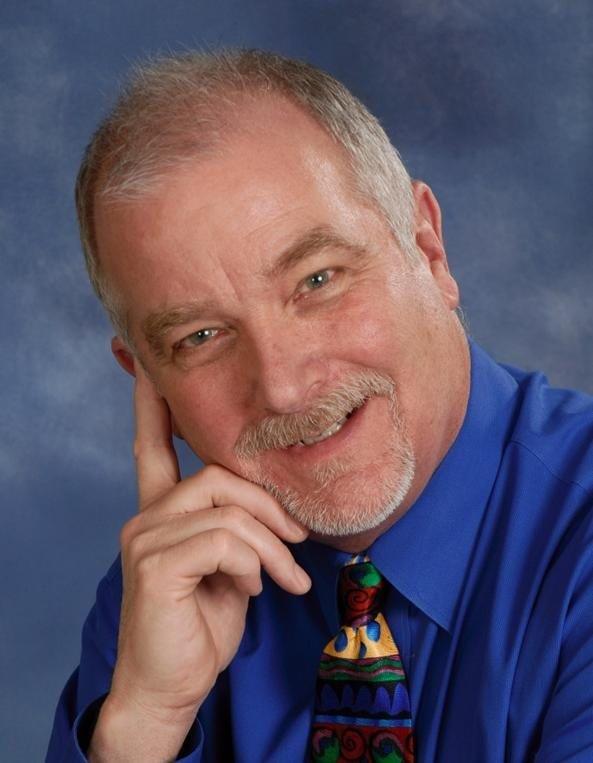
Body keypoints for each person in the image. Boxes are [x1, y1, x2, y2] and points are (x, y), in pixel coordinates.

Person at [47, 49, 593, 762]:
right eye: (200, 337)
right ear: (149, 381)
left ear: (428, 250)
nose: (283, 385)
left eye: (317, 280)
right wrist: (145, 721)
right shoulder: (162, 593)